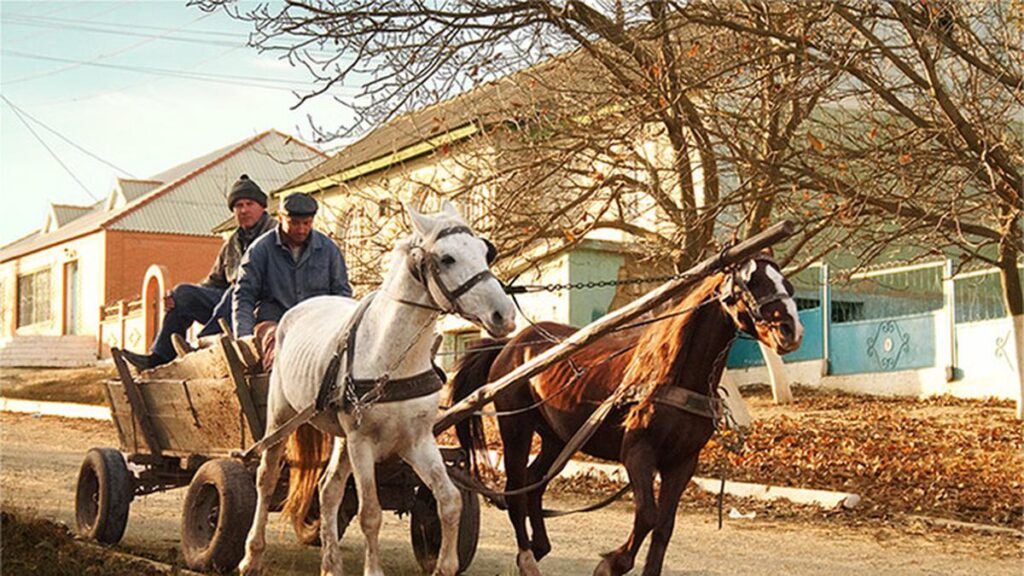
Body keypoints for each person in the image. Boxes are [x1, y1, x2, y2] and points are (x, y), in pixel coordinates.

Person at [121, 174, 276, 371]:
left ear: (262, 207)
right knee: (182, 294)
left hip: (259, 306)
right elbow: (213, 282)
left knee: (237, 290)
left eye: (249, 204)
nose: (244, 210)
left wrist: (242, 286)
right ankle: (159, 357)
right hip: (227, 308)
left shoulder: (275, 235)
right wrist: (179, 298)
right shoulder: (233, 243)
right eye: (238, 206)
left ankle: (203, 345)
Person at [233, 192, 352, 370]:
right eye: (294, 223)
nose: (301, 229)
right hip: (274, 323)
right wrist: (244, 337)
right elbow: (244, 296)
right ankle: (274, 381)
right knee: (277, 346)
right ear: (280, 218)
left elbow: (342, 295)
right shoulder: (260, 250)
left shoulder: (329, 250)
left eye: (307, 223)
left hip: (318, 324)